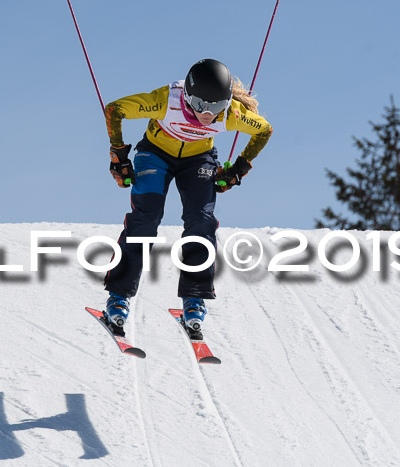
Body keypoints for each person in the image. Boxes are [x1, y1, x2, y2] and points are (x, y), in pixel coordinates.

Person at [102, 58, 273, 339]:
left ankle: (194, 300)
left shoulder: (232, 114)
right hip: (155, 154)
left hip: (198, 160)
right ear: (186, 96)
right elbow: (115, 109)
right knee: (147, 218)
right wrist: (118, 154)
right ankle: (118, 297)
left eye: (216, 106)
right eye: (200, 105)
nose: (208, 114)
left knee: (201, 221)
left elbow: (264, 130)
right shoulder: (165, 101)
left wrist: (240, 168)